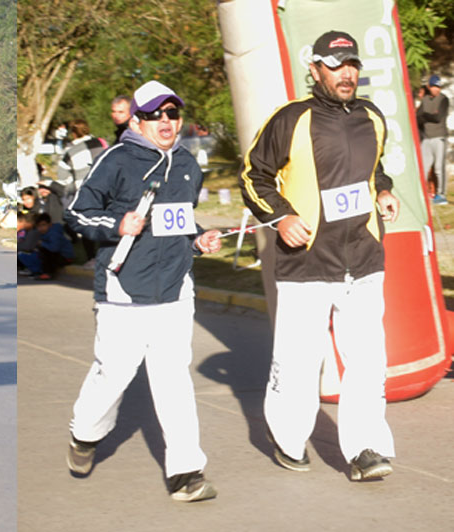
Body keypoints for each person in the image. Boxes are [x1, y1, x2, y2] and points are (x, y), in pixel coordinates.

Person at [239, 30, 399, 481]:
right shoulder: (291, 119)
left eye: (351, 64)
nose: (346, 74)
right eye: (335, 65)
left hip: (363, 259)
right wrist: (282, 217)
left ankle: (365, 448)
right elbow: (255, 176)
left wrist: (383, 191)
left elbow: (374, 168)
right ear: (314, 70)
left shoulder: (372, 117)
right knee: (298, 362)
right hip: (306, 262)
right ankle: (288, 437)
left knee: (368, 362)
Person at [64, 80, 222, 502]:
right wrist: (118, 225)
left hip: (174, 290)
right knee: (113, 374)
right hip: (123, 291)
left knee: (173, 380)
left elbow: (181, 222)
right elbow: (77, 212)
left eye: (173, 114)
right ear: (137, 120)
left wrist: (200, 240)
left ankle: (186, 472)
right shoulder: (116, 160)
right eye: (156, 115)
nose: (167, 122)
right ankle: (84, 434)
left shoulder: (188, 163)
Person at [57, 119, 105, 268]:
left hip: (84, 191)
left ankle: (92, 258)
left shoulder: (69, 152)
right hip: (105, 189)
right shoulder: (102, 143)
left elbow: (62, 177)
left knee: (87, 225)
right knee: (106, 223)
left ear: (73, 133)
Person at [417, 74, 449, 204]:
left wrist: (424, 116)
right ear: (429, 86)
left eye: (439, 87)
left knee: (438, 168)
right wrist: (427, 115)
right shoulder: (425, 100)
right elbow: (417, 117)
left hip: (439, 137)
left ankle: (441, 195)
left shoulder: (443, 99)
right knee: (423, 168)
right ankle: (422, 194)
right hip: (427, 138)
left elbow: (438, 118)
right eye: (435, 86)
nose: (437, 89)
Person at [17, 212, 73, 280]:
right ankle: (37, 271)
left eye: (43, 225)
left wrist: (42, 244)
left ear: (50, 224)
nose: (41, 228)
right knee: (31, 253)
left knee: (46, 252)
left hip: (65, 257)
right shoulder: (41, 233)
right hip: (55, 254)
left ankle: (48, 273)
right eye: (39, 226)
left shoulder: (54, 233)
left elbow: (55, 248)